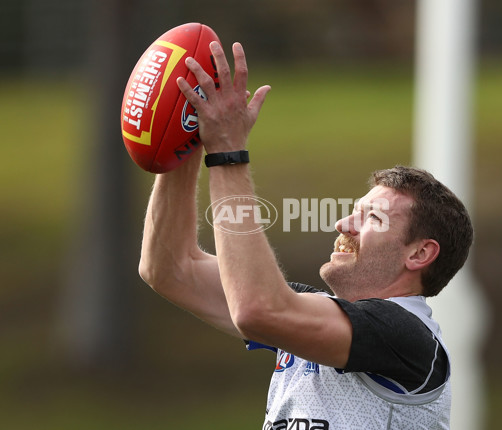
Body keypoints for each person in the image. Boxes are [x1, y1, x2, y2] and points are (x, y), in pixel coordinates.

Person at [139, 41, 473, 430]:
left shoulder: (406, 336)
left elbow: (257, 309)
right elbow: (169, 269)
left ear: (419, 254)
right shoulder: (306, 309)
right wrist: (185, 134)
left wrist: (227, 150)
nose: (343, 224)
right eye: (353, 212)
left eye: (372, 218)